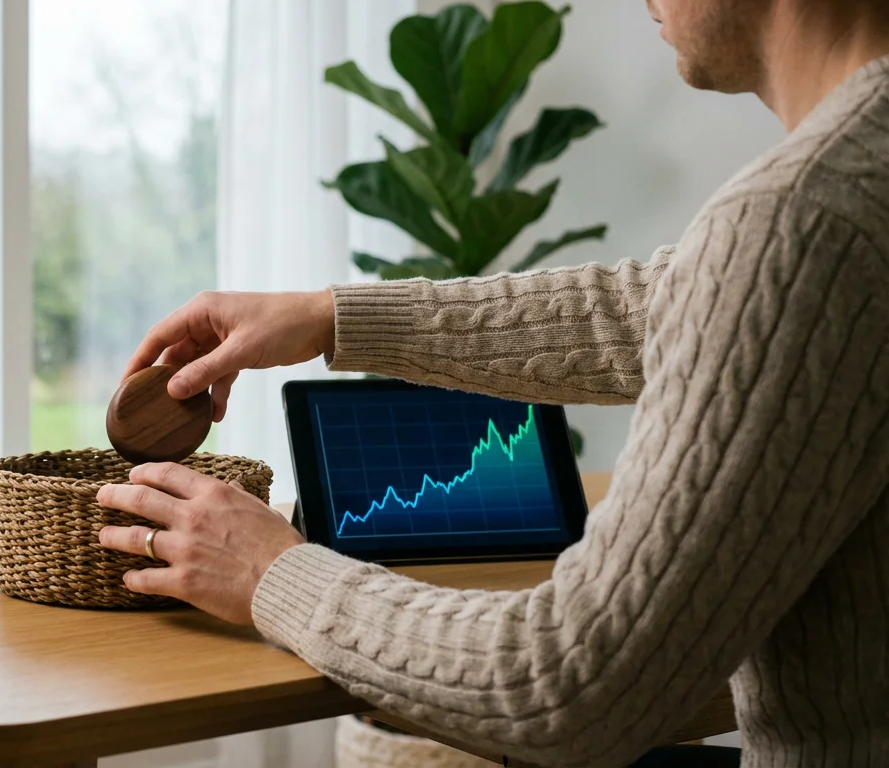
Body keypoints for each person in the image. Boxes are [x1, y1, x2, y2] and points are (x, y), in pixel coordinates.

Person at [97, 0, 889, 766]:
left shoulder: (800, 219)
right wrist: (332, 316)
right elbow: (650, 307)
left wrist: (272, 573)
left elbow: (572, 685)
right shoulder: (846, 184)